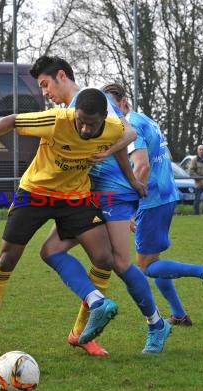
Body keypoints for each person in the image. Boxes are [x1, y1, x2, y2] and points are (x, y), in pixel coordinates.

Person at [0, 88, 129, 362]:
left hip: (76, 197)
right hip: (35, 193)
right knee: (6, 261)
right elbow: (13, 119)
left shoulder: (112, 128)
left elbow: (123, 139)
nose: (85, 128)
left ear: (103, 120)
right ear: (75, 114)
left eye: (92, 124)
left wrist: (133, 181)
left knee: (104, 258)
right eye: (81, 121)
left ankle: (80, 334)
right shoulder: (56, 120)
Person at [27, 56, 170, 356]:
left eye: (45, 85)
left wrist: (128, 177)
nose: (45, 93)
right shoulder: (70, 112)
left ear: (61, 76)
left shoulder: (93, 99)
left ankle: (157, 324)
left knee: (119, 262)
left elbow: (127, 133)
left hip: (113, 193)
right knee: (51, 251)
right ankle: (95, 306)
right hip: (89, 194)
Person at [103, 83, 203, 328]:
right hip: (165, 195)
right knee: (154, 261)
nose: (111, 113)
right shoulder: (144, 119)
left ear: (124, 101)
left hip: (152, 200)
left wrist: (132, 208)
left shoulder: (131, 125)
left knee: (147, 266)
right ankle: (179, 315)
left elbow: (142, 167)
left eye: (113, 106)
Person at [188, 145, 203, 215]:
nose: (201, 151)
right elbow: (191, 171)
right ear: (197, 151)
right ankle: (196, 214)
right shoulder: (194, 160)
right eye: (200, 150)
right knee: (197, 199)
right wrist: (198, 178)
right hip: (198, 183)